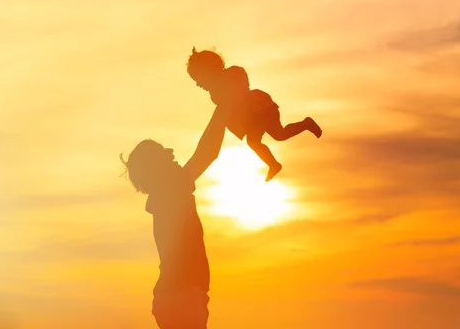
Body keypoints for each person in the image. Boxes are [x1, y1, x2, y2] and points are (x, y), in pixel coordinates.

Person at [119, 106, 227, 328]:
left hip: (176, 295)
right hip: (183, 295)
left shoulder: (164, 194)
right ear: (157, 167)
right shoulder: (171, 190)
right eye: (165, 154)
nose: (173, 155)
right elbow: (207, 152)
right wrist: (224, 106)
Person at [186, 47, 322, 182]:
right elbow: (226, 110)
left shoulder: (233, 73)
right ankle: (275, 163)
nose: (198, 84)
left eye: (198, 78)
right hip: (253, 118)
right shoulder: (215, 94)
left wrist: (232, 98)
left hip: (260, 109)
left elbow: (238, 91)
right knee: (267, 138)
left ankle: (302, 128)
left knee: (274, 136)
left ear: (208, 71)